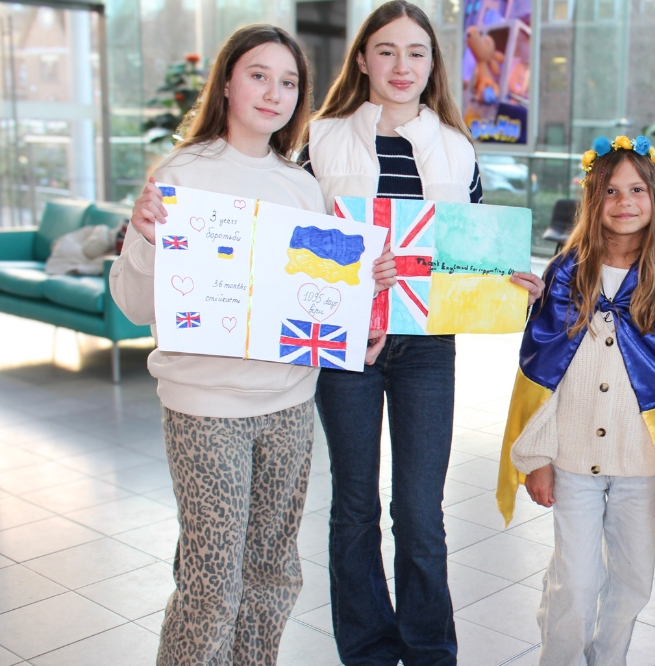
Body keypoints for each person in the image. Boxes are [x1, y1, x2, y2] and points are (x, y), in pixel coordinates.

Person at [110, 25, 394, 665]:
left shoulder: (301, 187)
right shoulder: (183, 174)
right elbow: (132, 304)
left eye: (289, 81)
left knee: (272, 577)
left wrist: (363, 297)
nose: (274, 92)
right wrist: (146, 235)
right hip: (206, 408)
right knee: (212, 585)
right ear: (228, 82)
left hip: (289, 404)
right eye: (259, 75)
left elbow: (314, 298)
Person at [297, 2, 544, 662]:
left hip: (428, 348)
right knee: (353, 507)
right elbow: (298, 247)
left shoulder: (458, 148)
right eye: (386, 51)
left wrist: (510, 278)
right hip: (348, 343)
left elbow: (476, 247)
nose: (401, 66)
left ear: (434, 64)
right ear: (361, 60)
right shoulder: (320, 140)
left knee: (420, 511)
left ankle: (431, 649)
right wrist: (352, 274)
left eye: (415, 52)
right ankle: (369, 649)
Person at [504, 137, 655, 665]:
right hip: (570, 459)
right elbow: (544, 372)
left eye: (637, 189)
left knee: (634, 580)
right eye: (610, 191)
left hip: (640, 464)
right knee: (574, 579)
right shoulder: (568, 268)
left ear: (654, 197)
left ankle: (607, 658)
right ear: (592, 199)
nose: (624, 201)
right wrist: (537, 457)